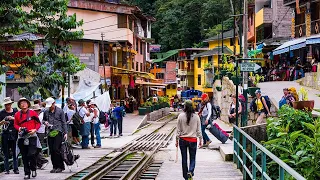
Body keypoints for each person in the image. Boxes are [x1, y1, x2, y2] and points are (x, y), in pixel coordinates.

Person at [14, 98, 41, 179]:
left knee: (31, 154)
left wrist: (35, 129)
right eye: (21, 103)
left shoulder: (33, 113)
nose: (23, 104)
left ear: (28, 104)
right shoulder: (17, 114)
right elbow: (15, 124)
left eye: (25, 102)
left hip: (32, 136)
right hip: (22, 137)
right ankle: (27, 173)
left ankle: (33, 169)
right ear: (19, 105)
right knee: (24, 156)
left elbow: (38, 123)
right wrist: (19, 128)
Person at [176, 100, 202, 180]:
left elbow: (178, 130)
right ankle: (190, 171)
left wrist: (177, 140)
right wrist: (200, 139)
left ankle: (185, 177)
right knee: (192, 158)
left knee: (184, 158)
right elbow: (198, 130)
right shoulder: (196, 116)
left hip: (183, 140)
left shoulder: (180, 116)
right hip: (193, 140)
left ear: (185, 107)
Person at [43, 97, 68, 173]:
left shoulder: (60, 111)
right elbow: (43, 120)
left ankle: (60, 166)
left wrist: (65, 132)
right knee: (51, 150)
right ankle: (55, 166)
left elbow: (64, 122)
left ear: (54, 104)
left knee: (56, 149)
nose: (50, 107)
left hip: (58, 131)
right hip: (50, 132)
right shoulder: (46, 112)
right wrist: (45, 122)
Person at [0, 97, 19, 174]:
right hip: (5, 134)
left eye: (8, 104)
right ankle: (7, 169)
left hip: (14, 133)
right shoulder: (2, 112)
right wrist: (2, 122)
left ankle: (16, 168)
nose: (7, 106)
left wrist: (13, 118)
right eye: (6, 105)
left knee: (15, 152)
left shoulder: (15, 111)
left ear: (11, 104)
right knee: (6, 152)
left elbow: (19, 120)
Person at [31, 104, 49, 169]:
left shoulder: (40, 116)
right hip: (36, 132)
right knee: (35, 148)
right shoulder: (37, 115)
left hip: (40, 132)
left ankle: (43, 161)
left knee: (38, 148)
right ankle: (39, 163)